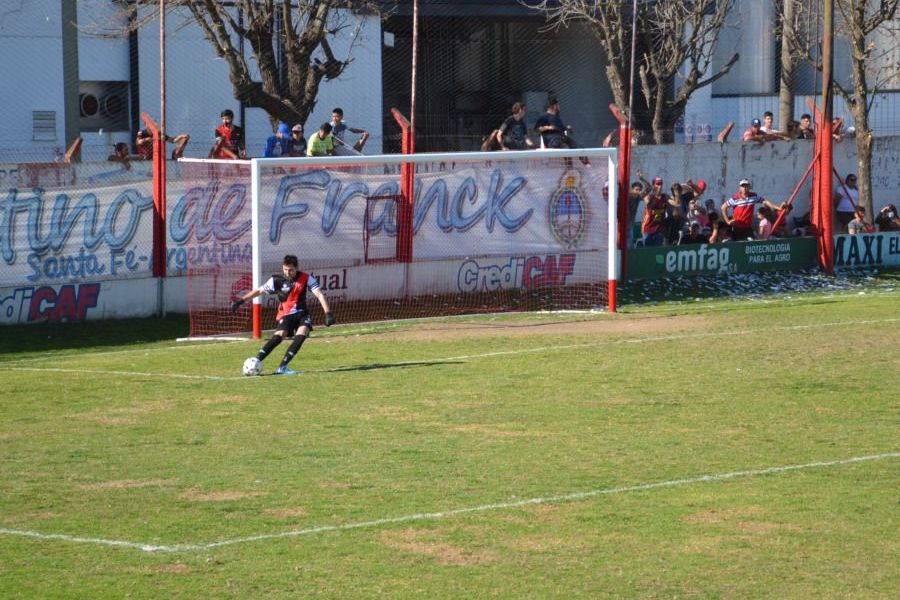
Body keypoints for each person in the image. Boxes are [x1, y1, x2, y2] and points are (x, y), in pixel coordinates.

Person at [230, 254, 335, 375]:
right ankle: (255, 361)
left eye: (290, 270)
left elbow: (319, 295)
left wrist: (328, 313)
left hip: (302, 314)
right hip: (286, 315)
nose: (287, 272)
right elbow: (259, 291)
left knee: (302, 334)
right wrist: (240, 301)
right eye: (285, 269)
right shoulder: (277, 281)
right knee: (279, 336)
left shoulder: (306, 278)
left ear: (296, 268)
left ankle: (283, 367)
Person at [721, 179, 786, 241]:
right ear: (740, 188)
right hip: (737, 227)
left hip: (748, 228)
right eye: (743, 186)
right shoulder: (735, 198)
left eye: (746, 186)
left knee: (752, 244)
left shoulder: (753, 196)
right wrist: (727, 221)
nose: (745, 188)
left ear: (749, 187)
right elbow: (723, 207)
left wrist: (779, 208)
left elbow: (765, 201)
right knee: (735, 245)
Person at [640, 176, 680, 247]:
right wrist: (653, 196)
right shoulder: (649, 197)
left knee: (658, 252)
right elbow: (648, 204)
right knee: (648, 252)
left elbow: (676, 203)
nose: (660, 186)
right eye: (657, 184)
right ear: (654, 185)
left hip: (658, 230)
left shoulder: (665, 197)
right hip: (647, 229)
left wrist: (676, 192)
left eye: (661, 184)